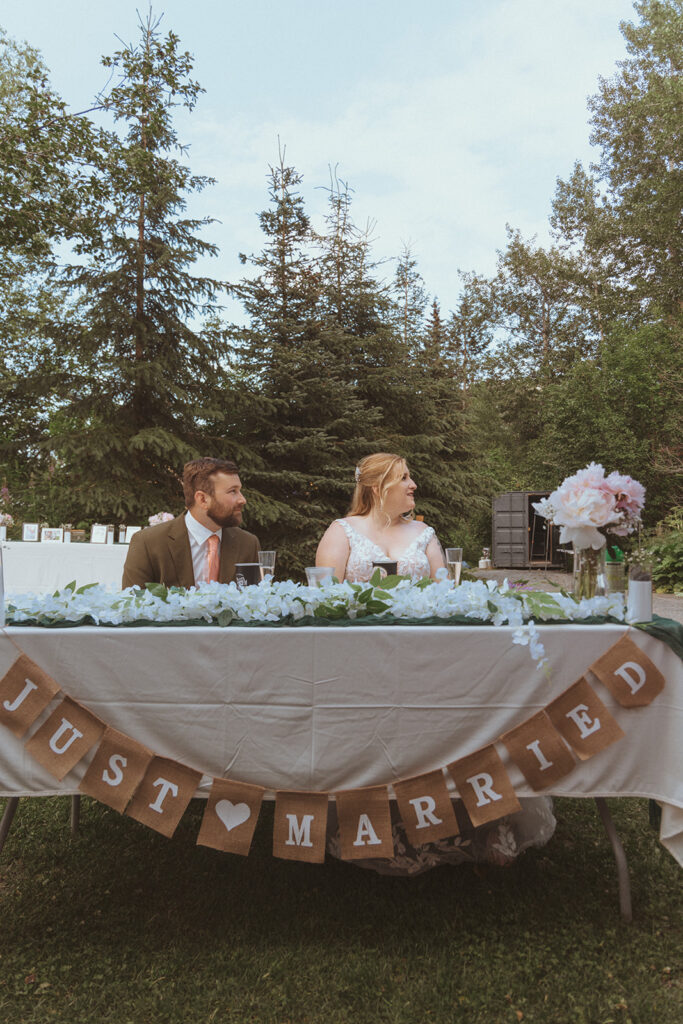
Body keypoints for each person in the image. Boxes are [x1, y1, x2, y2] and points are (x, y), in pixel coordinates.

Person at [122, 457, 260, 589]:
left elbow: (254, 605)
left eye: (239, 490)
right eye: (232, 491)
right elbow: (133, 606)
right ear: (202, 499)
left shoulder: (248, 544)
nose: (242, 500)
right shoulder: (148, 543)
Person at [315, 452, 445, 582]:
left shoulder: (423, 533)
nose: (413, 485)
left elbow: (445, 590)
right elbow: (326, 595)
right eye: (403, 478)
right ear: (378, 488)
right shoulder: (341, 531)